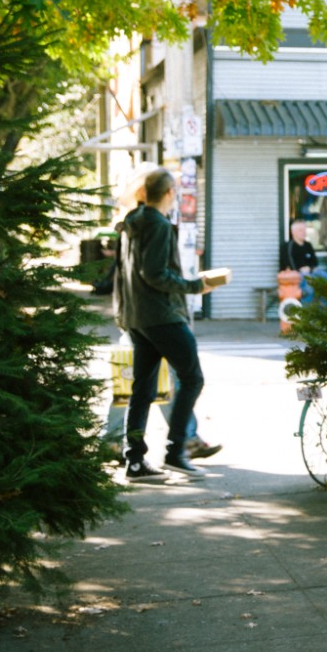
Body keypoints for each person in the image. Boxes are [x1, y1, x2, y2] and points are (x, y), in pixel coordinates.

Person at [113, 168, 217, 481]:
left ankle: (135, 461)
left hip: (137, 317)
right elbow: (154, 273)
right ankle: (175, 451)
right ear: (169, 193)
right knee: (192, 379)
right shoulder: (157, 224)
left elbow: (128, 273)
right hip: (161, 315)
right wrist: (195, 285)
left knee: (142, 389)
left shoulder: (132, 222)